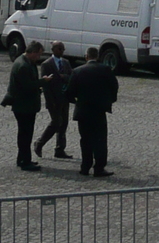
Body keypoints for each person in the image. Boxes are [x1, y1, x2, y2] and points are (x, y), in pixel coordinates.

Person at [67, 46, 119, 177]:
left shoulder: (77, 71)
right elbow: (114, 87)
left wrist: (77, 101)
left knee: (85, 140)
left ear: (86, 56)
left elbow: (69, 92)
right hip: (99, 111)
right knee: (100, 140)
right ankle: (99, 167)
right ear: (98, 56)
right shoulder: (106, 70)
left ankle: (85, 167)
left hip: (83, 111)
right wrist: (108, 101)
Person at [2, 41, 44, 171]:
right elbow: (28, 86)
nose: (39, 58)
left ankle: (23, 158)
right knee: (25, 134)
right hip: (24, 105)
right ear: (32, 52)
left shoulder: (25, 62)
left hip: (25, 105)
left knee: (25, 134)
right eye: (38, 55)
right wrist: (43, 82)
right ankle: (24, 161)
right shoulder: (23, 66)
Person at [34, 42, 75, 160]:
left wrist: (64, 77)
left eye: (63, 49)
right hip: (53, 99)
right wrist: (49, 100)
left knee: (64, 124)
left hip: (64, 98)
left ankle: (60, 149)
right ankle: (40, 143)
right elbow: (45, 85)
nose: (61, 51)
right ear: (53, 49)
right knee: (56, 122)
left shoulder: (66, 63)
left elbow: (71, 78)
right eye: (59, 48)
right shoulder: (46, 64)